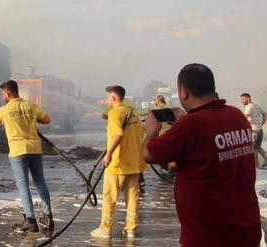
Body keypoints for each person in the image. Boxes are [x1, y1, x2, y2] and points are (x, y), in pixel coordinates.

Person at [143, 64, 261, 247]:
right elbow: (208, 142)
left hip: (209, 236)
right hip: (245, 230)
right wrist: (184, 122)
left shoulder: (192, 125)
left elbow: (148, 154)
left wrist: (151, 131)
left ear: (183, 92)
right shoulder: (236, 115)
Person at [0, 80, 54, 233]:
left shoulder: (4, 110)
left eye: (3, 94)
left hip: (18, 152)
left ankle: (30, 220)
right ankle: (48, 216)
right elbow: (47, 120)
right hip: (35, 149)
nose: (3, 96)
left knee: (23, 185)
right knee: (40, 182)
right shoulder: (31, 106)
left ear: (8, 94)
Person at [91, 86, 147, 240]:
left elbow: (117, 135)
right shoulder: (132, 111)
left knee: (110, 197)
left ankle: (105, 229)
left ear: (114, 98)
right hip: (135, 161)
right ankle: (131, 230)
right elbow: (142, 132)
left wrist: (108, 154)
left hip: (118, 162)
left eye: (108, 97)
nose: (107, 100)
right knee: (133, 197)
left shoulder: (115, 113)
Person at [240, 92, 267, 167]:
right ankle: (266, 160)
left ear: (248, 98)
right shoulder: (256, 106)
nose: (242, 101)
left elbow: (245, 117)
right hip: (259, 129)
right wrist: (261, 123)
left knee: (254, 148)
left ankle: (256, 165)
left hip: (254, 130)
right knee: (258, 147)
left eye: (243, 99)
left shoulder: (249, 106)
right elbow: (265, 114)